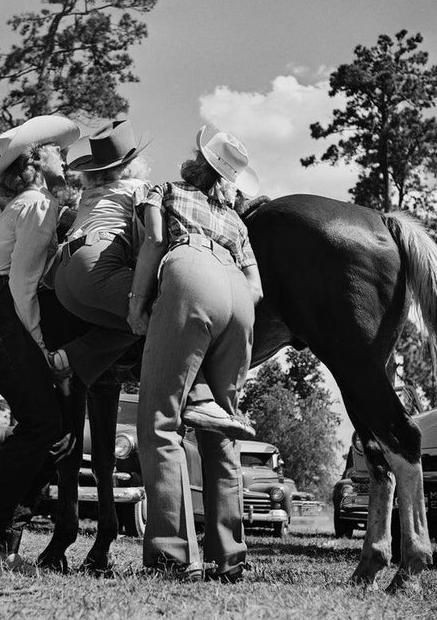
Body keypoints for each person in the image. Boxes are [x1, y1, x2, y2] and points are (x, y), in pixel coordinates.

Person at [47, 120, 255, 439]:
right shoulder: (138, 190)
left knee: (136, 323)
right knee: (170, 312)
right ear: (133, 164)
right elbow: (152, 241)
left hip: (63, 278)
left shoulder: (90, 193)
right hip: (97, 265)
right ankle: (200, 398)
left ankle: (71, 359)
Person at [127, 126, 263, 582]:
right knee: (221, 427)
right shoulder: (239, 223)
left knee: (161, 421)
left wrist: (137, 303)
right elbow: (257, 290)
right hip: (240, 298)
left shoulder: (163, 190)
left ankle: (172, 556)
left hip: (190, 273)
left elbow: (151, 242)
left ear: (195, 161)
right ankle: (230, 557)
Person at [0, 115, 80, 574]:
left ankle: (1, 542)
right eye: (56, 158)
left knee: (55, 431)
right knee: (44, 424)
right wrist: (45, 349)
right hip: (3, 314)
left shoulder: (31, 205)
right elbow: (22, 283)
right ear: (39, 166)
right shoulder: (37, 207)